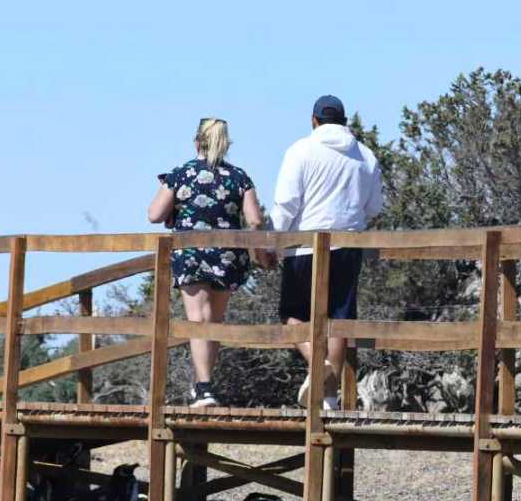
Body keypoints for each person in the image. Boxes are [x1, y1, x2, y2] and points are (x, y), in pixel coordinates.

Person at [270, 95, 383, 409]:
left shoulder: (300, 150)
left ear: (314, 120)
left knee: (292, 315)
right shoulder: (366, 156)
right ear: (344, 121)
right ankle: (330, 398)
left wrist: (271, 242)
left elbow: (286, 204)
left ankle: (318, 364)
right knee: (339, 319)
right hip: (348, 245)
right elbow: (374, 207)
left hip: (304, 246)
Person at [148, 117, 267, 407]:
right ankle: (204, 386)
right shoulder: (239, 177)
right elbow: (255, 220)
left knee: (198, 320)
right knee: (214, 322)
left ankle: (203, 388)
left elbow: (154, 215)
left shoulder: (181, 174)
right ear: (226, 144)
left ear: (196, 142)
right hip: (228, 256)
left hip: (190, 254)